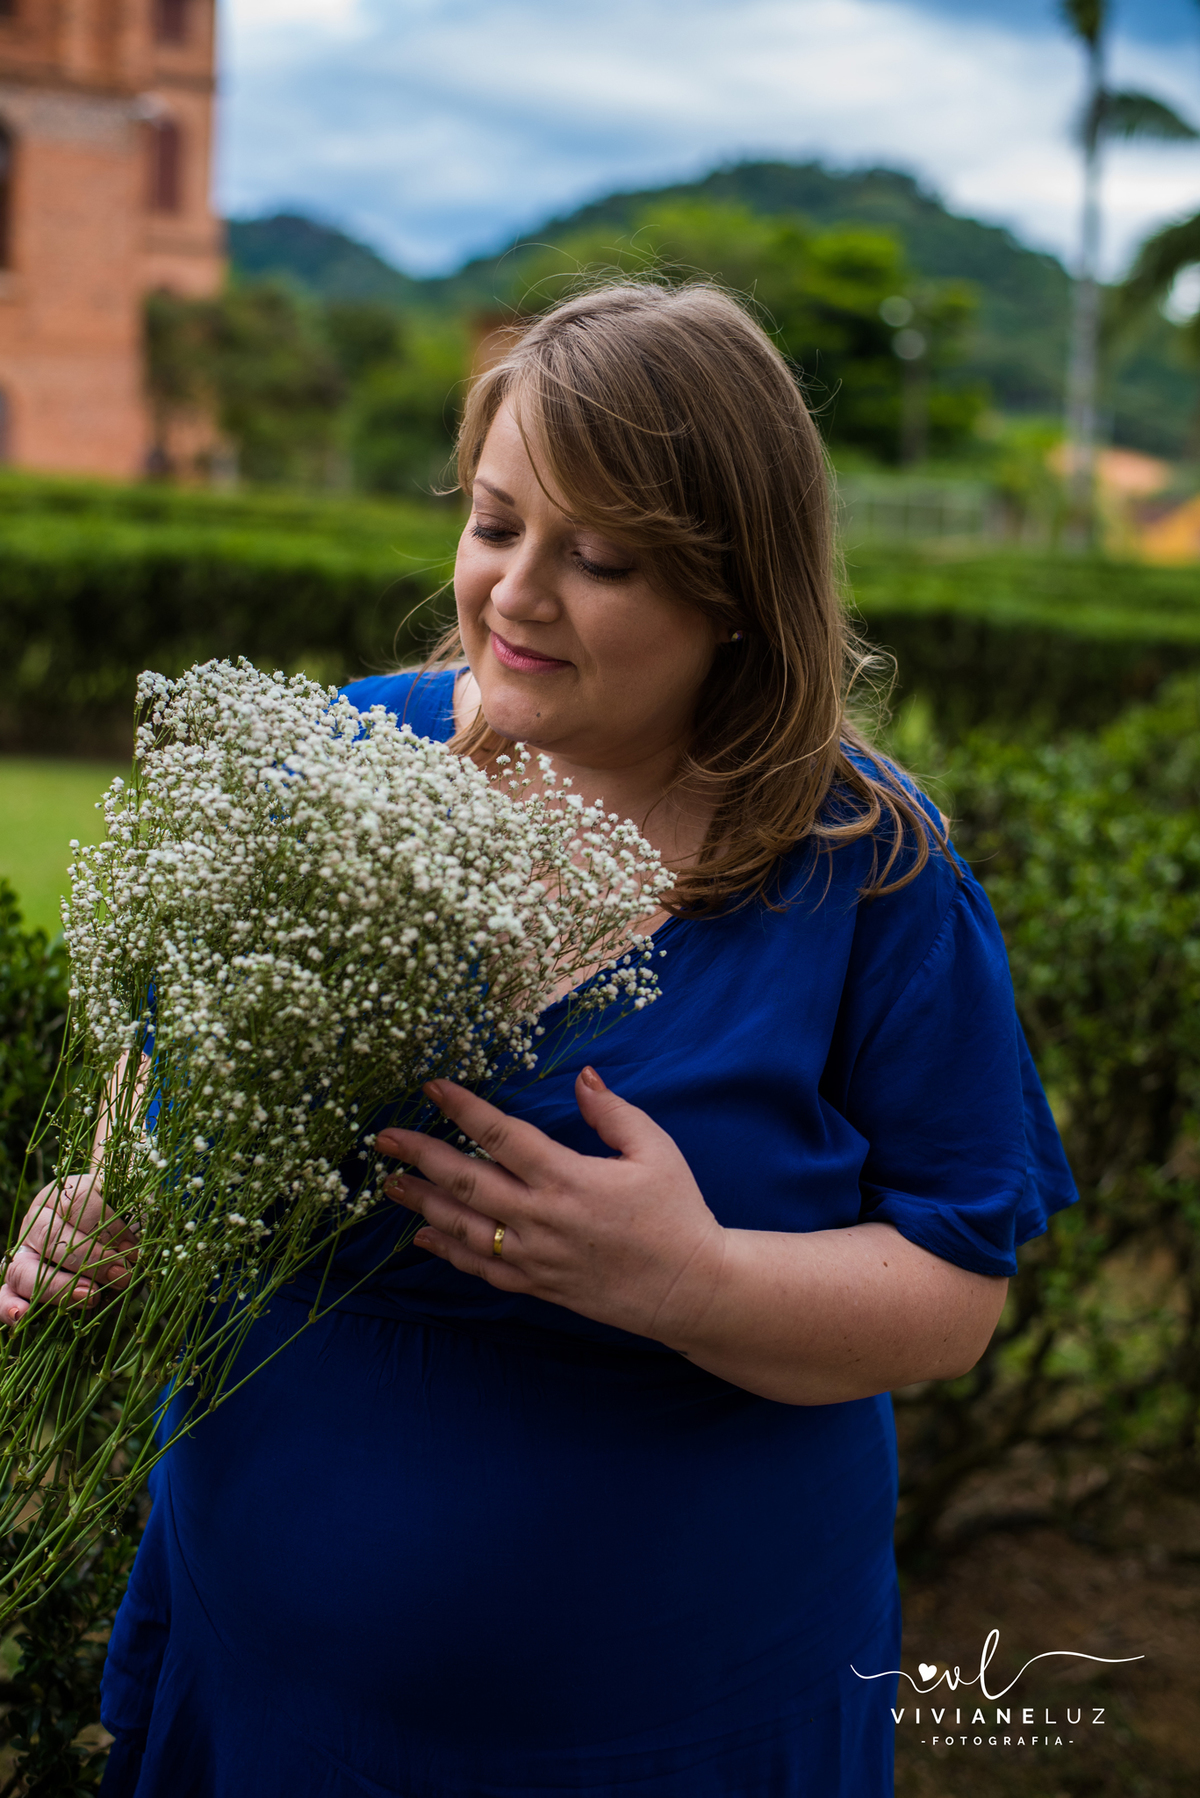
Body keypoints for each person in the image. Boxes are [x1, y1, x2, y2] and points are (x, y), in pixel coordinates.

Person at [4, 282, 1076, 1798]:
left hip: (674, 1724)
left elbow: (957, 1289)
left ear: (736, 593)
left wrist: (689, 1279)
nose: (516, 591)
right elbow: (158, 1051)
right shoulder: (328, 759)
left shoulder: (867, 868)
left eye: (603, 557)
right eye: (498, 522)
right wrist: (110, 1196)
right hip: (269, 1700)